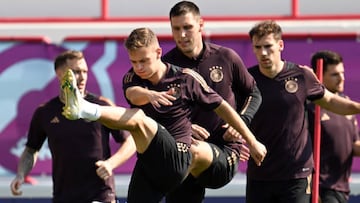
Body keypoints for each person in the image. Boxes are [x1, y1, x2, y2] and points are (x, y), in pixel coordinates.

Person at [61, 27, 267, 203]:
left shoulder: (186, 79)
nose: (139, 67)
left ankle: (84, 109)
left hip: (178, 157)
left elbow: (222, 107)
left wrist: (252, 140)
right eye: (134, 62)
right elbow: (133, 93)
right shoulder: (133, 78)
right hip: (150, 164)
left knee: (139, 119)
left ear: (158, 52)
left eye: (144, 60)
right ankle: (82, 108)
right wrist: (150, 95)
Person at [246, 20, 360, 203]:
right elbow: (229, 111)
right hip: (260, 174)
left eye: (268, 46)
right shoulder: (247, 79)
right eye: (257, 47)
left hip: (296, 175)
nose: (263, 53)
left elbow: (330, 100)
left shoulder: (301, 75)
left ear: (280, 45)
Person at [162, 1, 262, 202]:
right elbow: (156, 113)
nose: (182, 35)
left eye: (188, 27)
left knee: (191, 154)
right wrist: (185, 128)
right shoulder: (166, 67)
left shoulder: (225, 57)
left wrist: (241, 122)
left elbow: (254, 94)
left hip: (225, 151)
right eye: (176, 29)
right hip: (185, 148)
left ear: (200, 25)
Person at [10, 50, 137, 203]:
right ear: (59, 73)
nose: (82, 77)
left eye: (85, 71)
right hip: (63, 197)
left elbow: (130, 141)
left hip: (101, 196)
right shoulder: (45, 112)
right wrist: (21, 174)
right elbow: (31, 149)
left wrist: (111, 163)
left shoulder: (101, 106)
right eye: (76, 72)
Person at [308, 50, 360, 203]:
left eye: (342, 73)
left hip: (341, 189)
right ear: (319, 76)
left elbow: (353, 146)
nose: (342, 78)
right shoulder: (309, 108)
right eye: (335, 75)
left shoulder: (347, 106)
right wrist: (311, 190)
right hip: (320, 189)